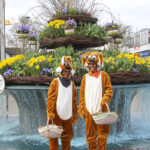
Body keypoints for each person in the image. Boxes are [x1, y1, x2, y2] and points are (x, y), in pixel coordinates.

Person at [78, 52, 113, 150]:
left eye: (93, 64)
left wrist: (104, 100)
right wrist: (81, 107)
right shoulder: (85, 77)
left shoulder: (104, 75)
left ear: (97, 64)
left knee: (102, 134)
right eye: (90, 64)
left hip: (100, 110)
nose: (91, 66)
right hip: (88, 109)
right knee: (90, 136)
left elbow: (109, 90)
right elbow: (82, 94)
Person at [47, 56, 78, 150]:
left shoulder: (72, 84)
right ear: (61, 72)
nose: (66, 74)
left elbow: (74, 100)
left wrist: (75, 114)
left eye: (68, 72)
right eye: (64, 72)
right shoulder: (55, 82)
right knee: (53, 136)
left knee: (67, 137)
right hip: (56, 114)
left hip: (68, 114)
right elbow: (51, 98)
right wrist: (50, 111)